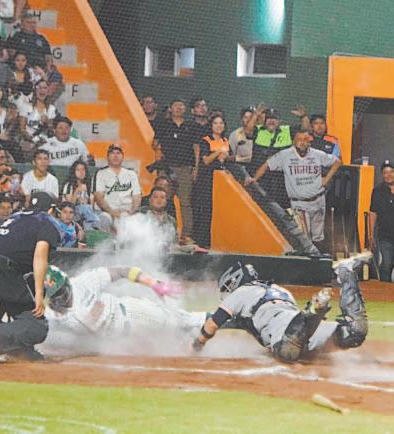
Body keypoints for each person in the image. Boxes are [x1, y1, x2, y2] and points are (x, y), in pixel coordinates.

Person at [191, 253, 373, 362]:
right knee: (354, 333)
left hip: (286, 331)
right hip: (297, 324)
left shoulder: (240, 293)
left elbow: (212, 324)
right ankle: (346, 274)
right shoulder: (279, 290)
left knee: (288, 352)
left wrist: (197, 345)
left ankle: (312, 312)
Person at [0, 191, 64, 365]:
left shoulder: (16, 217)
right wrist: (39, 295)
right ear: (51, 210)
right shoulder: (47, 221)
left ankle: (19, 348)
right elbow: (40, 256)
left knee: (21, 298)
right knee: (37, 326)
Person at [43, 264, 205, 342]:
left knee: (184, 321)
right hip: (120, 342)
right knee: (174, 343)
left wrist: (153, 283)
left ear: (67, 283)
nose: (59, 299)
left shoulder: (84, 282)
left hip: (133, 314)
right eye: (54, 296)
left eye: (60, 292)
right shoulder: (53, 316)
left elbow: (122, 271)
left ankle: (218, 319)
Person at [245, 128, 342, 246]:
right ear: (293, 141)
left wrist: (326, 179)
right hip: (299, 203)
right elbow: (267, 165)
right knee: (304, 239)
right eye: (299, 139)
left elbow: (337, 162)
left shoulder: (317, 154)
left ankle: (319, 256)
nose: (303, 142)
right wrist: (254, 179)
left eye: (305, 139)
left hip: (318, 200)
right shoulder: (285, 155)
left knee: (318, 238)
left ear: (309, 141)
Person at [153, 98, 199, 244]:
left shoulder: (191, 126)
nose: (178, 108)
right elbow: (155, 143)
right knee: (163, 200)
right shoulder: (163, 125)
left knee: (185, 202)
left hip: (185, 169)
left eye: (181, 105)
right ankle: (161, 232)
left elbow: (196, 148)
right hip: (167, 169)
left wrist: (196, 168)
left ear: (185, 109)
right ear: (170, 109)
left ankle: (186, 235)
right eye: (175, 105)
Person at [192, 114, 233, 249]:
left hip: (222, 182)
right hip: (206, 180)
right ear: (211, 125)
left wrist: (226, 157)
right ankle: (202, 242)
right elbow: (206, 161)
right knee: (205, 210)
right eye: (215, 123)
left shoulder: (226, 140)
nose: (218, 126)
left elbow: (229, 159)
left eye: (221, 123)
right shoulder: (206, 140)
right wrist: (218, 152)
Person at [92, 143, 141, 232]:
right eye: (112, 153)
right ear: (107, 157)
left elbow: (137, 197)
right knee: (104, 218)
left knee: (136, 221)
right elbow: (99, 197)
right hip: (107, 212)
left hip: (127, 213)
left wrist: (131, 212)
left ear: (122, 157)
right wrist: (111, 212)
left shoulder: (131, 174)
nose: (115, 156)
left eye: (118, 153)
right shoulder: (100, 173)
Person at [369, 159, 394, 282]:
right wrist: (370, 234)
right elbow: (373, 213)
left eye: (391, 172)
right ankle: (385, 290)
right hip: (385, 236)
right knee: (386, 265)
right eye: (385, 172)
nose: (388, 175)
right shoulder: (378, 191)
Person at [62, 160, 99, 230]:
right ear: (74, 172)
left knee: (95, 216)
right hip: (72, 213)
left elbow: (91, 207)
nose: (81, 172)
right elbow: (69, 206)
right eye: (78, 170)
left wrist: (87, 201)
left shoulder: (89, 185)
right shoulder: (69, 185)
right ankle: (97, 224)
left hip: (86, 214)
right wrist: (77, 190)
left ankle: (89, 231)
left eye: (83, 169)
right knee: (85, 208)